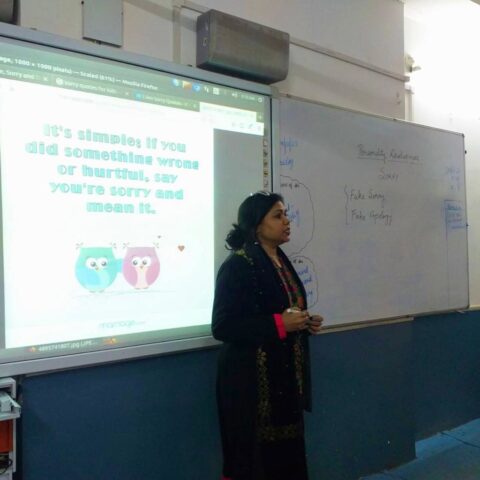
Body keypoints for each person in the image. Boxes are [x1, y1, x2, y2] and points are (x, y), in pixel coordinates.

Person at [212, 191, 323, 480]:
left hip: (283, 382)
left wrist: (303, 322)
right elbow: (222, 326)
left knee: (286, 459)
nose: (287, 221)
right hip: (250, 386)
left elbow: (281, 309)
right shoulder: (238, 265)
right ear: (256, 225)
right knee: (256, 462)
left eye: (285, 214)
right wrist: (280, 324)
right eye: (278, 215)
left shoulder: (280, 260)